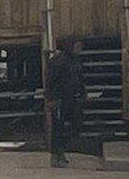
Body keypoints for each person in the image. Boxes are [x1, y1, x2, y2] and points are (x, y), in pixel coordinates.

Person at [45, 37, 85, 168]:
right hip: (59, 99)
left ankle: (62, 149)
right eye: (77, 46)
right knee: (58, 128)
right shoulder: (59, 61)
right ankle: (56, 155)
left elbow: (79, 78)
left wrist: (83, 92)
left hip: (72, 98)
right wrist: (51, 98)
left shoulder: (76, 61)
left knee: (77, 124)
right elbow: (50, 81)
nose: (79, 49)